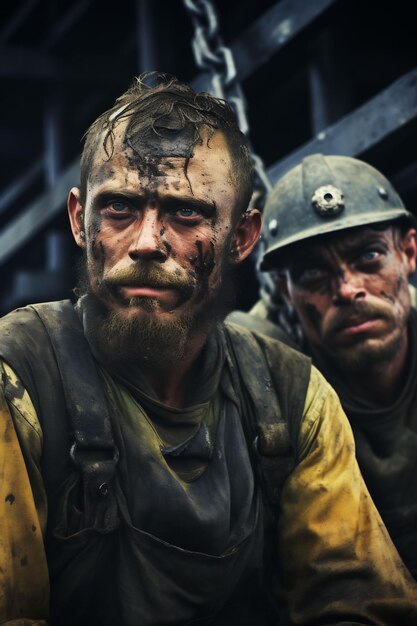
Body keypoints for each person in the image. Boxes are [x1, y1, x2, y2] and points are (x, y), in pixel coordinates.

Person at [1, 78, 416, 626]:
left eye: (186, 213)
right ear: (81, 220)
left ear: (243, 237)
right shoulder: (19, 377)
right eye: (120, 208)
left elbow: (360, 606)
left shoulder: (292, 394)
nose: (147, 242)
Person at [229, 152, 417, 582]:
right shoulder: (262, 373)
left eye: (369, 257)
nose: (349, 289)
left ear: (407, 252)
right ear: (284, 289)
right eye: (313, 273)